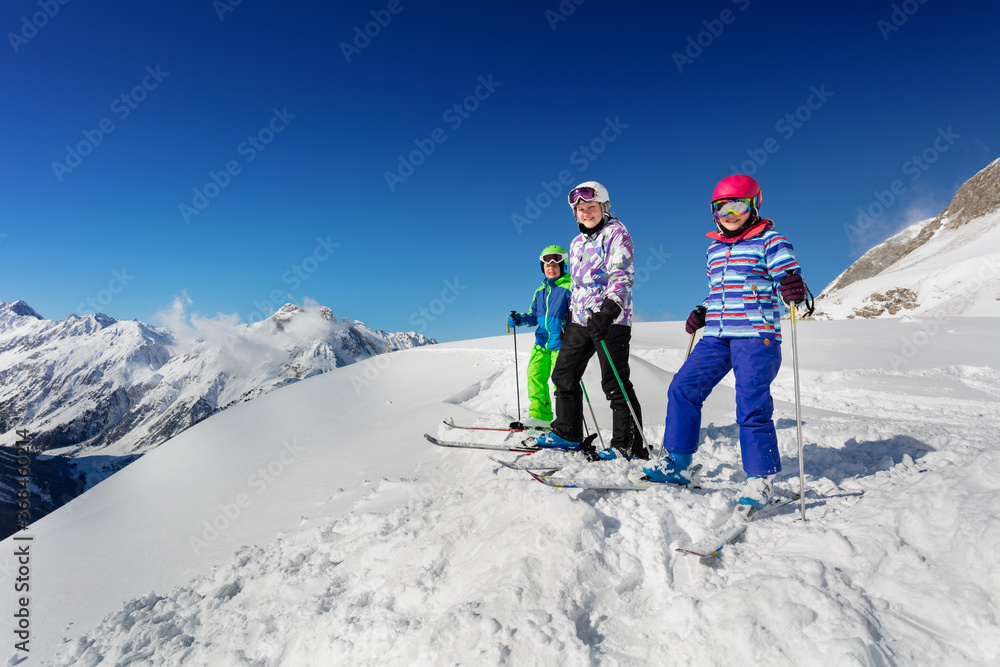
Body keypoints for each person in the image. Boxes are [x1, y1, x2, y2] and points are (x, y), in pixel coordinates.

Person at [642, 174, 808, 514]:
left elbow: (787, 277)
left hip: (756, 334)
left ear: (754, 205)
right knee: (683, 387)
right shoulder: (715, 248)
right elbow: (719, 288)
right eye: (722, 207)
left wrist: (794, 285)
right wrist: (703, 310)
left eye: (738, 204)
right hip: (717, 333)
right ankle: (678, 463)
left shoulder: (770, 240)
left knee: (750, 402)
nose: (730, 212)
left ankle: (759, 481)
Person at [533, 181, 646, 460]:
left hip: (611, 320)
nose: (586, 213)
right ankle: (568, 433)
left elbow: (622, 274)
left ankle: (628, 445)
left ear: (603, 207)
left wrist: (609, 310)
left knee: (614, 382)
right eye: (580, 209)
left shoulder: (617, 233)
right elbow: (577, 285)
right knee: (563, 374)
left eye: (591, 207)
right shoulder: (575, 243)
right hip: (580, 320)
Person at [507, 245, 572, 426]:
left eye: (555, 266)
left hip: (561, 343)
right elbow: (533, 316)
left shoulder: (569, 288)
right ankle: (540, 416)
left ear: (563, 267)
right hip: (541, 342)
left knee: (561, 382)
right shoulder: (539, 292)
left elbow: (577, 313)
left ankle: (565, 419)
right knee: (534, 375)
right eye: (547, 266)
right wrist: (519, 320)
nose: (551, 269)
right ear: (542, 268)